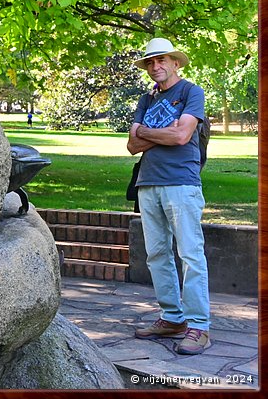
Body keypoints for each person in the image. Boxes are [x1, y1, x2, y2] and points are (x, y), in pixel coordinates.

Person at [126, 38, 210, 355]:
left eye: (162, 60)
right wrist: (156, 134)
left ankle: (199, 326)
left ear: (175, 63)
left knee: (190, 255)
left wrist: (146, 132)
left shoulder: (191, 92)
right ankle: (172, 318)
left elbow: (181, 135)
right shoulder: (145, 100)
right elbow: (132, 146)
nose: (156, 66)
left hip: (181, 183)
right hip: (148, 183)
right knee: (157, 255)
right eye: (150, 62)